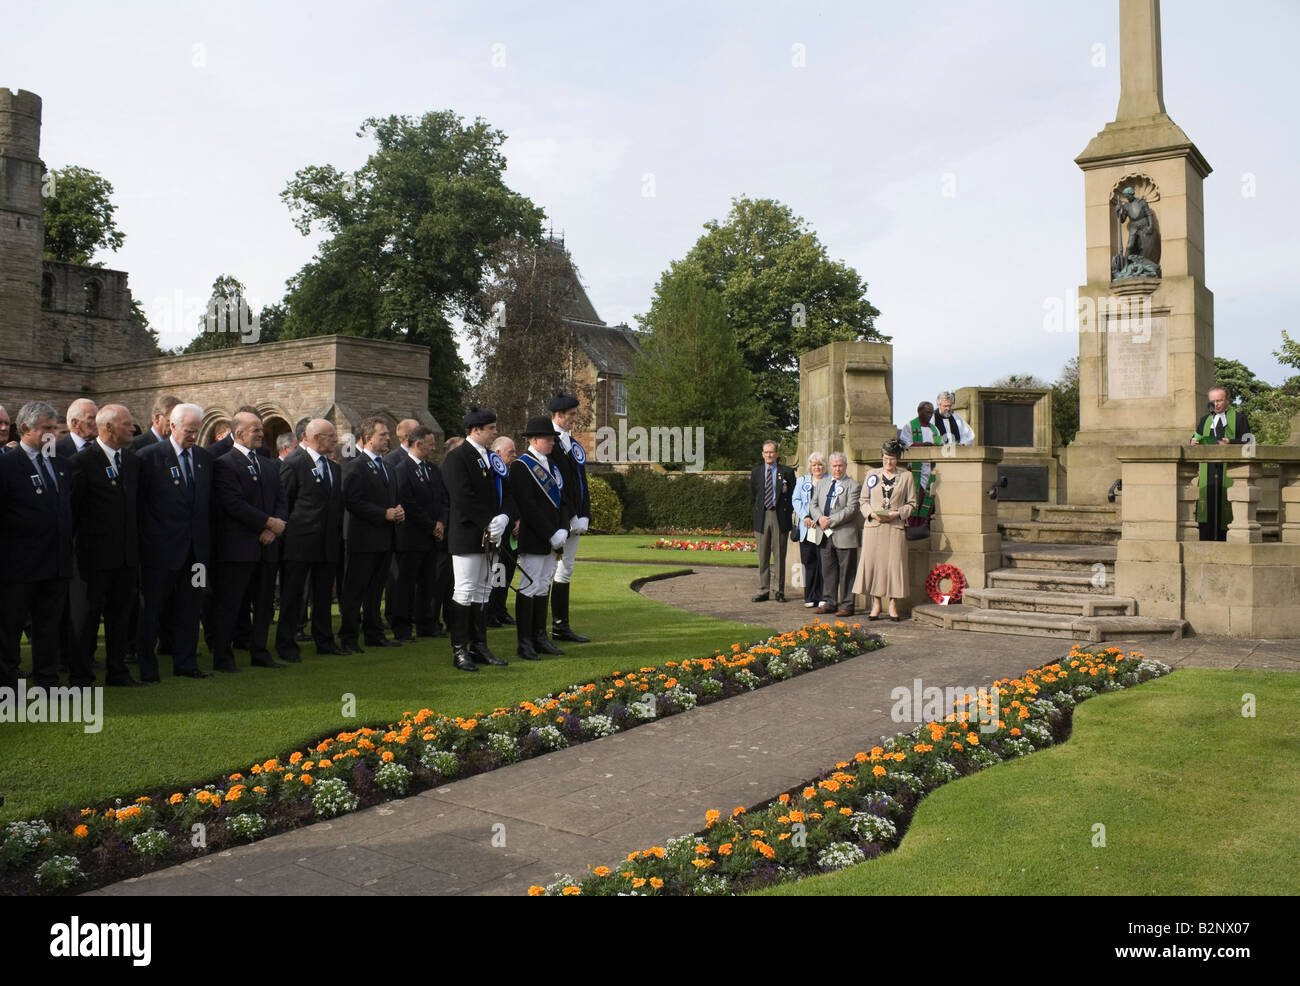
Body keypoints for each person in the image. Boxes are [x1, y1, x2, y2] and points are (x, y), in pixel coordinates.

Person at [136, 402, 214, 680]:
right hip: (160, 553)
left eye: (197, 430)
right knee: (152, 612)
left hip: (196, 555)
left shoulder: (204, 459)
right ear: (172, 426)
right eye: (189, 430)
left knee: (190, 610)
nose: (193, 435)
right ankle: (147, 667)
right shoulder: (148, 457)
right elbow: (140, 506)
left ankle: (187, 663)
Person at [0, 401, 74, 690]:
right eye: (45, 429)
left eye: (53, 429)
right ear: (25, 429)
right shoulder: (5, 466)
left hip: (55, 564)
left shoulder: (60, 464)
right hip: (18, 566)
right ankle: (7, 687)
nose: (51, 436)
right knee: (9, 630)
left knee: (48, 628)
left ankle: (48, 683)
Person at [69, 404, 142, 686]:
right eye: (127, 424)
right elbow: (72, 513)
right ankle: (80, 676)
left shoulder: (133, 462)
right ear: (108, 428)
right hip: (91, 562)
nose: (133, 428)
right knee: (86, 622)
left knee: (120, 619)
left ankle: (118, 671)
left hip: (125, 559)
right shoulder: (82, 462)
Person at [211, 411, 289, 671]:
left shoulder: (268, 464)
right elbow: (233, 504)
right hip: (238, 549)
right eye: (255, 429)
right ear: (239, 433)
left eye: (261, 429)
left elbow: (281, 499)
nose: (261, 433)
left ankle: (260, 652)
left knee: (265, 606)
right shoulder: (224, 463)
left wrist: (275, 527)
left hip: (267, 548)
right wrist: (268, 523)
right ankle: (223, 657)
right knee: (231, 605)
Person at [441, 406, 516, 671]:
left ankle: (479, 645)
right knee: (464, 589)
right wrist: (488, 521)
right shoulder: (457, 457)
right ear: (476, 430)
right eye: (491, 429)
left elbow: (506, 491)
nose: (495, 433)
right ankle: (460, 649)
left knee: (484, 589)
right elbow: (461, 496)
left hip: (492, 535)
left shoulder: (491, 458)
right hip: (468, 534)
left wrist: (504, 517)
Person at [277, 418, 345, 659]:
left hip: (327, 543)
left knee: (324, 595)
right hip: (299, 543)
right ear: (315, 438)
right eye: (331, 436)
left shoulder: (334, 468)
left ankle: (324, 641)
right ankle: (286, 644)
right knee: (293, 595)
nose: (336, 440)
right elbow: (284, 503)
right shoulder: (294, 463)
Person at [340, 417, 405, 652]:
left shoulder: (388, 467)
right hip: (363, 539)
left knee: (376, 590)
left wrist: (398, 511)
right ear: (368, 438)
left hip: (385, 539)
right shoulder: (355, 466)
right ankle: (348, 637)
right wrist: (383, 514)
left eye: (388, 434)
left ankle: (373, 632)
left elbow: (392, 498)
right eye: (383, 435)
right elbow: (352, 501)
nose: (388, 438)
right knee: (355, 590)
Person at [508, 416, 571, 661]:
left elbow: (562, 500)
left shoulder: (552, 465)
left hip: (554, 536)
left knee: (544, 585)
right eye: (548, 439)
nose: (552, 443)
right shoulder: (521, 466)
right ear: (534, 440)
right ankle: (525, 643)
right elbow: (528, 506)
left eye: (553, 439)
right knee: (530, 586)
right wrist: (550, 532)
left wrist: (563, 528)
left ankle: (540, 637)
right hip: (535, 537)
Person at [390, 426, 445, 641]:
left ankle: (426, 624)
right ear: (419, 444)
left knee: (428, 583)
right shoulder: (402, 470)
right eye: (430, 443)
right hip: (411, 538)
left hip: (432, 538)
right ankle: (402, 627)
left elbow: (442, 499)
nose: (433, 447)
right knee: (405, 584)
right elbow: (408, 503)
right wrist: (431, 525)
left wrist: (441, 522)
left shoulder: (433, 469)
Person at [854, 438, 917, 621]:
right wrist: (872, 514)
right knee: (874, 565)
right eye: (885, 458)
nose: (888, 463)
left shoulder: (906, 476)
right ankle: (876, 604)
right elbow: (863, 500)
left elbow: (912, 504)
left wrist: (898, 514)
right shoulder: (871, 474)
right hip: (873, 527)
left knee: (894, 566)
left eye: (891, 459)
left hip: (895, 527)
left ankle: (893, 605)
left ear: (897, 459)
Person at [547, 392, 591, 642]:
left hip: (575, 520)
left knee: (566, 570)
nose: (575, 418)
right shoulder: (548, 442)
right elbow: (554, 486)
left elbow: (581, 483)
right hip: (557, 520)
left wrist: (584, 514)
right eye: (571, 414)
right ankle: (539, 631)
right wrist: (569, 516)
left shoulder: (573, 443)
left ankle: (560, 626)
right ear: (558, 414)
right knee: (547, 572)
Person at [1191, 386, 1252, 542]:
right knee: (1208, 505)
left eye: (1219, 400)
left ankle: (1227, 539)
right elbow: (1194, 438)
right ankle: (1207, 539)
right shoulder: (1205, 420)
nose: (1216, 404)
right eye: (1213, 401)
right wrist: (1193, 441)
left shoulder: (1239, 418)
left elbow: (1249, 442)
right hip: (1209, 471)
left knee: (1226, 504)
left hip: (1229, 470)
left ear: (1227, 401)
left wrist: (1231, 442)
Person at [809, 452, 862, 617]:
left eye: (840, 466)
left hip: (844, 534)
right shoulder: (822, 483)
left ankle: (847, 605)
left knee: (847, 571)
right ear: (830, 467)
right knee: (828, 570)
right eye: (834, 466)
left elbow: (851, 510)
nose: (837, 469)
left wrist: (830, 520)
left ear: (845, 466)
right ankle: (829, 602)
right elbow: (813, 504)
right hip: (824, 534)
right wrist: (819, 519)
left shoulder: (853, 485)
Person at [750, 440, 796, 603]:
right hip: (762, 516)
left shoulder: (787, 472)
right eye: (766, 452)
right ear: (762, 454)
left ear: (777, 454)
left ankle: (779, 591)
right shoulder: (756, 472)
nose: (769, 455)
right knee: (762, 556)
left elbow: (792, 496)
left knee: (779, 555)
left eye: (772, 452)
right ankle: (763, 590)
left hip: (779, 516)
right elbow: (754, 495)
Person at [487, 435, 519, 626]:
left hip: (511, 533)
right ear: (497, 453)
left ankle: (501, 609)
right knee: (496, 575)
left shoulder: (509, 474)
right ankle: (490, 612)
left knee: (507, 574)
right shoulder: (491, 474)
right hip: (497, 534)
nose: (514, 456)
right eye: (511, 452)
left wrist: (518, 520)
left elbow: (514, 500)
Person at [791, 451, 827, 609]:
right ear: (810, 467)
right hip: (806, 529)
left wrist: (821, 519)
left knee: (823, 563)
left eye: (820, 464)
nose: (817, 467)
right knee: (808, 563)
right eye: (814, 465)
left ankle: (822, 596)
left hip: (822, 529)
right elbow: (795, 499)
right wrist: (805, 516)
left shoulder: (829, 481)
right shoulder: (802, 481)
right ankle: (809, 596)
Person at [899, 401, 941, 531]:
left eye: (931, 412)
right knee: (914, 498)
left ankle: (923, 527)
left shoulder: (934, 429)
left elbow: (940, 444)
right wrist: (923, 445)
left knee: (926, 501)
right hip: (915, 470)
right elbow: (905, 445)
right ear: (919, 412)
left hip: (930, 470)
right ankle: (911, 528)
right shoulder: (910, 426)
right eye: (927, 412)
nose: (929, 415)